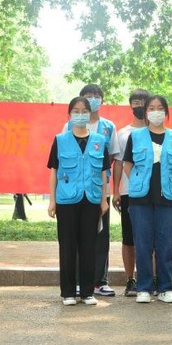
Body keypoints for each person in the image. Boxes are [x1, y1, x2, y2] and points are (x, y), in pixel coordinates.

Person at [47, 97, 111, 306]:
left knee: (89, 246)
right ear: (69, 114)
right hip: (66, 200)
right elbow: (54, 171)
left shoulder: (99, 141)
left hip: (91, 199)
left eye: (84, 111)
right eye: (76, 111)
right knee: (67, 246)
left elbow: (103, 173)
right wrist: (52, 200)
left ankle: (87, 292)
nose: (80, 115)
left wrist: (103, 200)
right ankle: (68, 293)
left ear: (89, 114)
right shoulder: (60, 140)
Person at [123, 95, 172, 303]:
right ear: (146, 112)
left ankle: (165, 288)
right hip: (140, 199)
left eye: (160, 108)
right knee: (142, 244)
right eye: (151, 108)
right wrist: (139, 181)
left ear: (166, 112)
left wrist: (167, 181)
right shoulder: (136, 136)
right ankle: (144, 288)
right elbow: (128, 164)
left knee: (165, 245)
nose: (156, 111)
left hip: (167, 198)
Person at [62, 84, 120, 297]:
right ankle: (79, 281)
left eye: (97, 96)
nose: (93, 99)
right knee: (77, 235)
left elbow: (112, 157)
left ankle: (100, 281)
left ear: (101, 101)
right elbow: (62, 156)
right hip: (75, 191)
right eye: (88, 96)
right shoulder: (68, 126)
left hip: (99, 190)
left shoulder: (108, 127)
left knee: (101, 235)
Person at [112, 88, 150, 297]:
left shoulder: (158, 132)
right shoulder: (123, 133)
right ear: (130, 106)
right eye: (136, 102)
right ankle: (131, 279)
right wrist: (116, 191)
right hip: (129, 192)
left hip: (153, 191)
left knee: (153, 238)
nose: (139, 105)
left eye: (143, 101)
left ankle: (153, 278)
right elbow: (118, 163)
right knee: (129, 237)